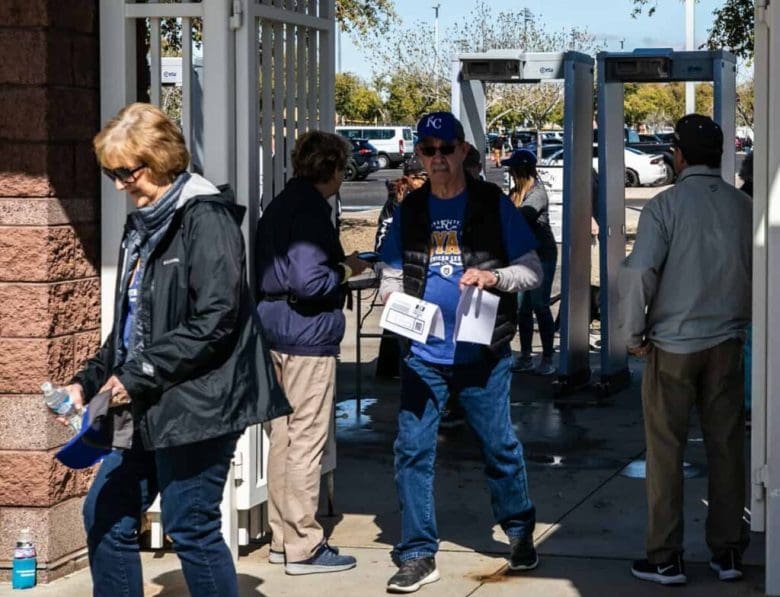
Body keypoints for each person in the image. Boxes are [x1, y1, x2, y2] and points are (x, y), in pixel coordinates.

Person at [62, 102, 290, 597]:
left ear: (162, 160)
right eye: (111, 173)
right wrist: (88, 380)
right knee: (105, 514)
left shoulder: (206, 219)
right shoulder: (141, 226)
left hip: (199, 403)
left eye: (128, 172)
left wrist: (137, 373)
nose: (121, 185)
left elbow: (216, 320)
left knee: (191, 526)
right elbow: (132, 324)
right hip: (145, 398)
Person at [379, 111, 543, 593]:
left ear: (463, 151)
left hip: (482, 354)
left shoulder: (492, 204)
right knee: (412, 451)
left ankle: (518, 531)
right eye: (427, 151)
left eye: (445, 149)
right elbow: (391, 270)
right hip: (422, 355)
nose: (437, 159)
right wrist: (392, 297)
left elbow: (531, 270)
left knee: (499, 446)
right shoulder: (410, 211)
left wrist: (494, 278)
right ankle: (416, 553)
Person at [619, 114, 752, 586]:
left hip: (672, 345)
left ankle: (665, 556)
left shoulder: (665, 206)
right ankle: (729, 551)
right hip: (728, 344)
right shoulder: (743, 207)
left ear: (678, 154)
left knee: (666, 453)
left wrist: (631, 336)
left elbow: (638, 276)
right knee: (727, 448)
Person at [255, 130, 369, 575]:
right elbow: (309, 281)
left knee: (282, 438)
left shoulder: (280, 204)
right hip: (307, 334)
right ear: (335, 169)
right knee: (306, 440)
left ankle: (284, 539)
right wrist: (346, 268)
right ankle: (303, 543)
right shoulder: (311, 212)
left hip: (275, 330)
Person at [503, 149, 558, 375]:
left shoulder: (537, 193)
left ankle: (547, 357)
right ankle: (525, 356)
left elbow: (520, 216)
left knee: (539, 305)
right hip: (522, 255)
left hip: (542, 254)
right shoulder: (516, 191)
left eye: (512, 169)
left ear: (521, 170)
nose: (509, 173)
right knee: (521, 307)